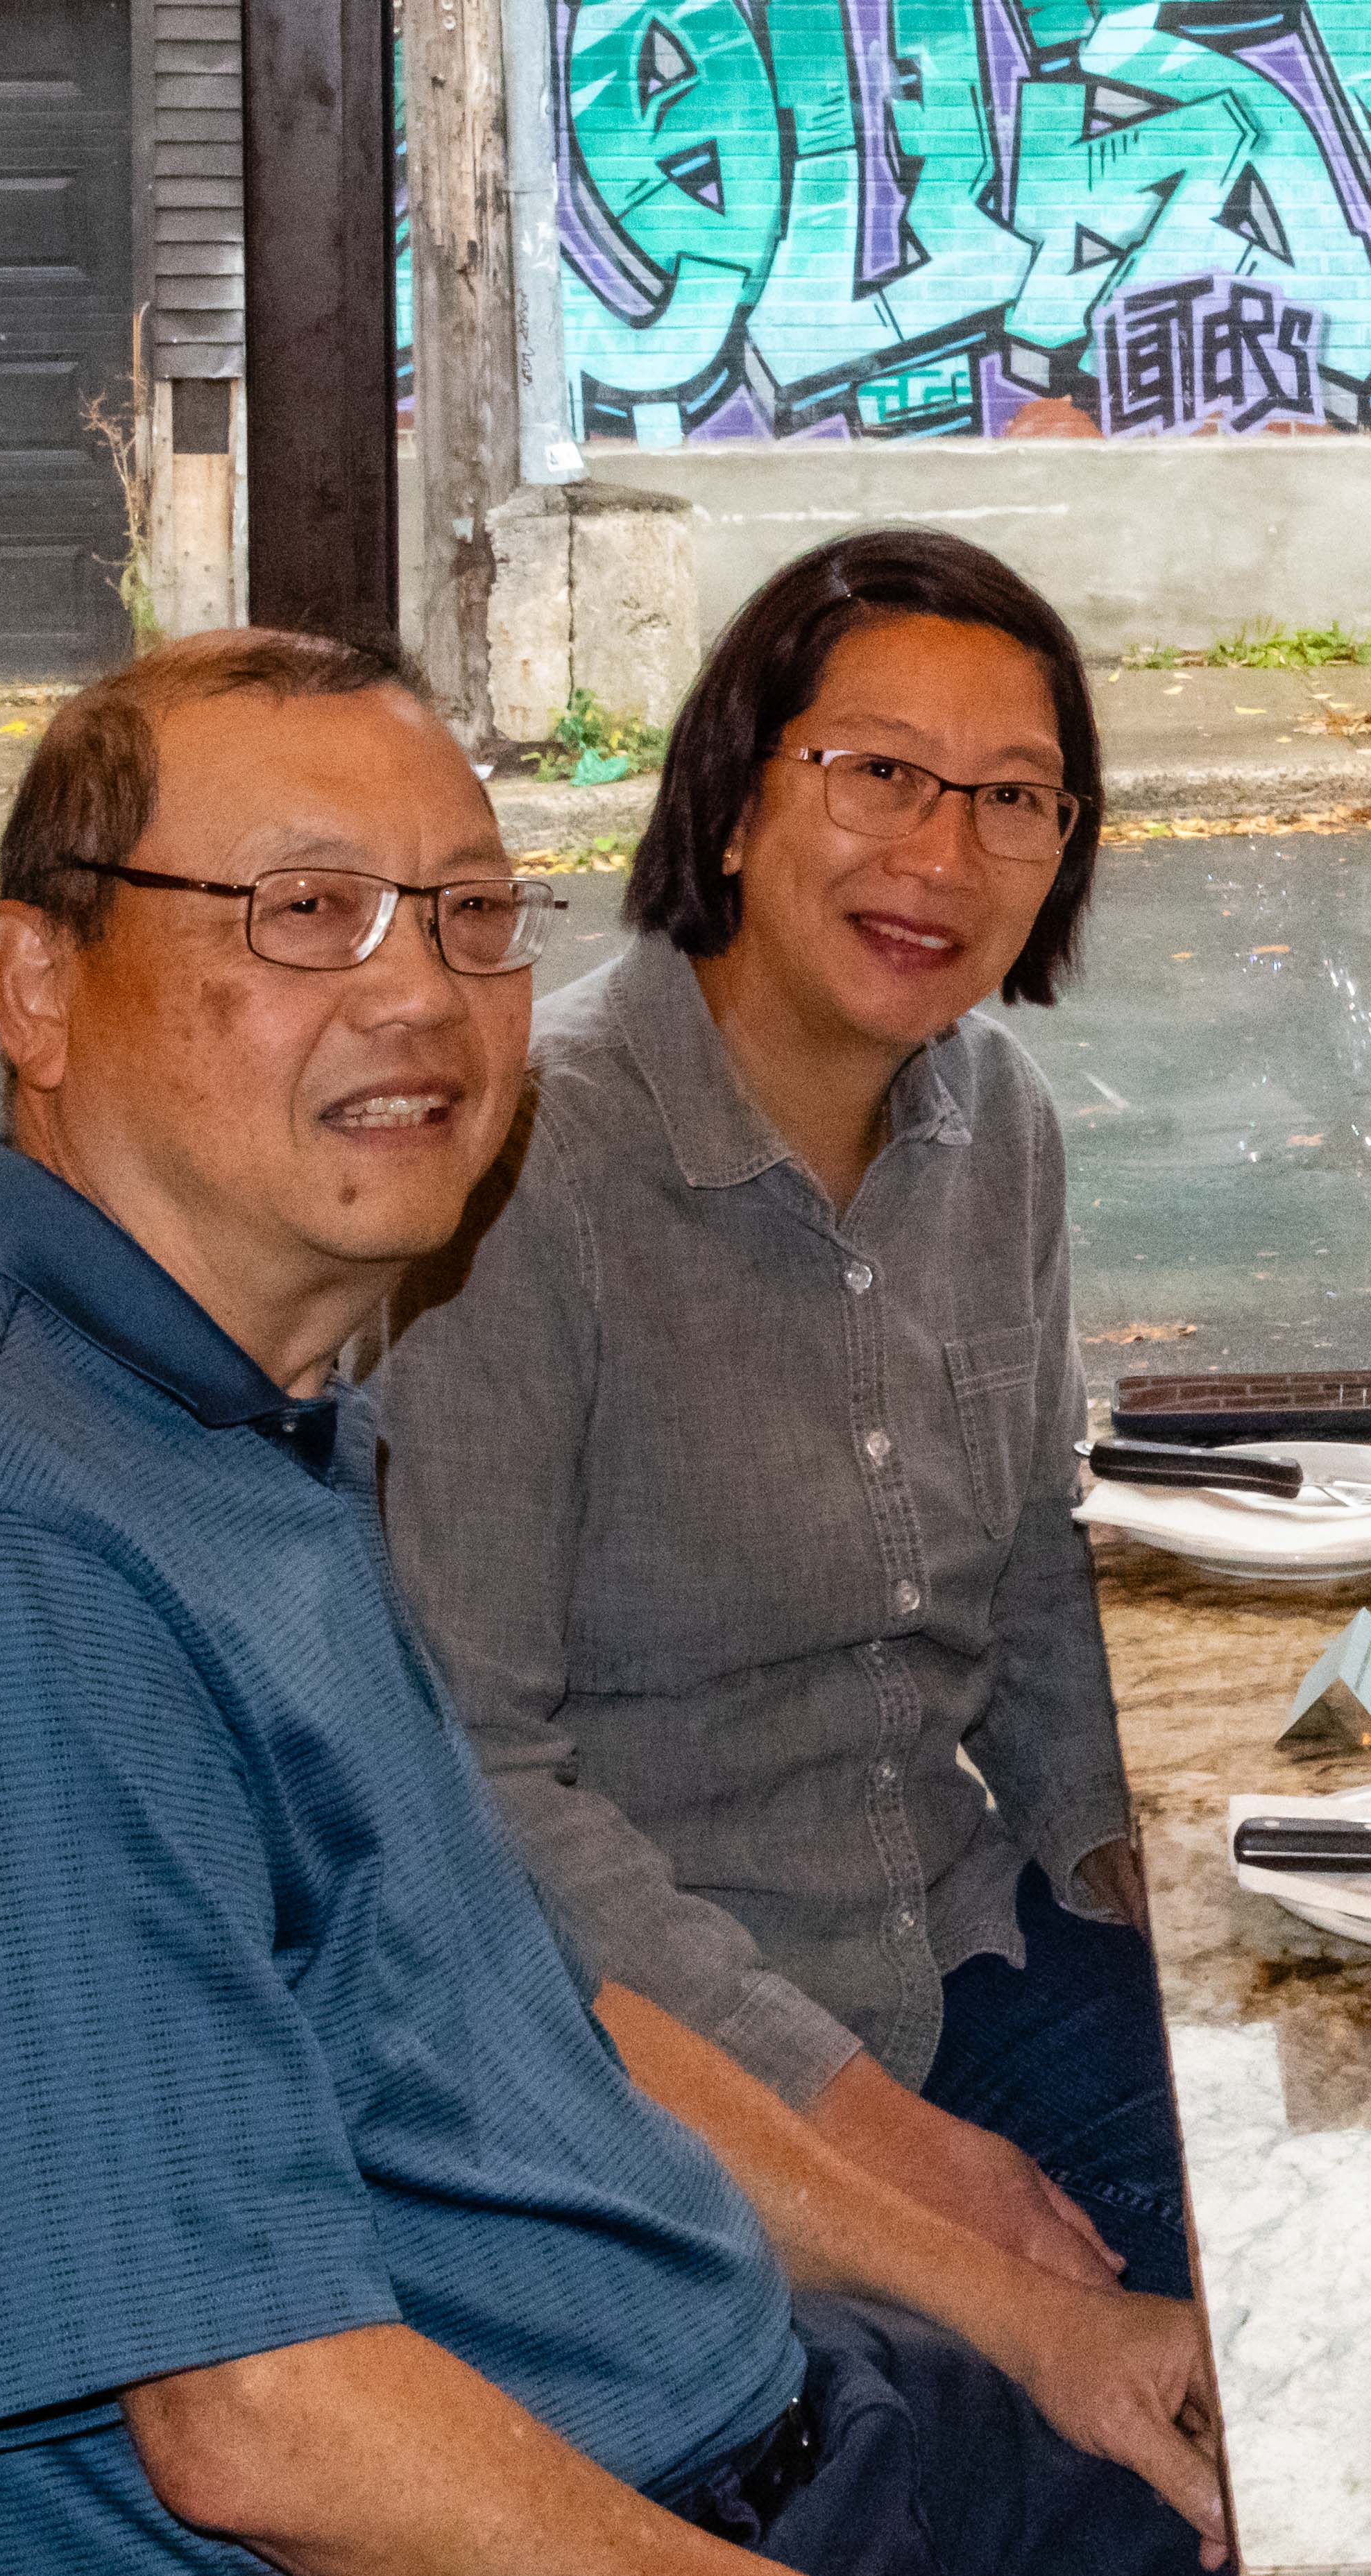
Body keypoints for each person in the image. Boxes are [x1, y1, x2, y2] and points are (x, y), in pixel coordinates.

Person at [0, 627, 1371, 2576]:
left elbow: (551, 2008)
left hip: (754, 2444)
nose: (420, 995)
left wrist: (1027, 2320)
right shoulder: (9, 1567)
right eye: (304, 912)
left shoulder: (235, 1418)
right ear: (34, 985)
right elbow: (256, 2420)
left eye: (470, 913)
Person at [371, 531, 1187, 2303]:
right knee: (1199, 2356)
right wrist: (886, 2149)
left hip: (955, 1943)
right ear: (735, 800)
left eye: (1012, 798)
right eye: (879, 772)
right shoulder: (525, 1172)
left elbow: (1034, 1574)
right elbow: (478, 1774)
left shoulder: (997, 1124)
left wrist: (1135, 1863)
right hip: (659, 2063)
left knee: (1366, 2195)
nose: (941, 856)